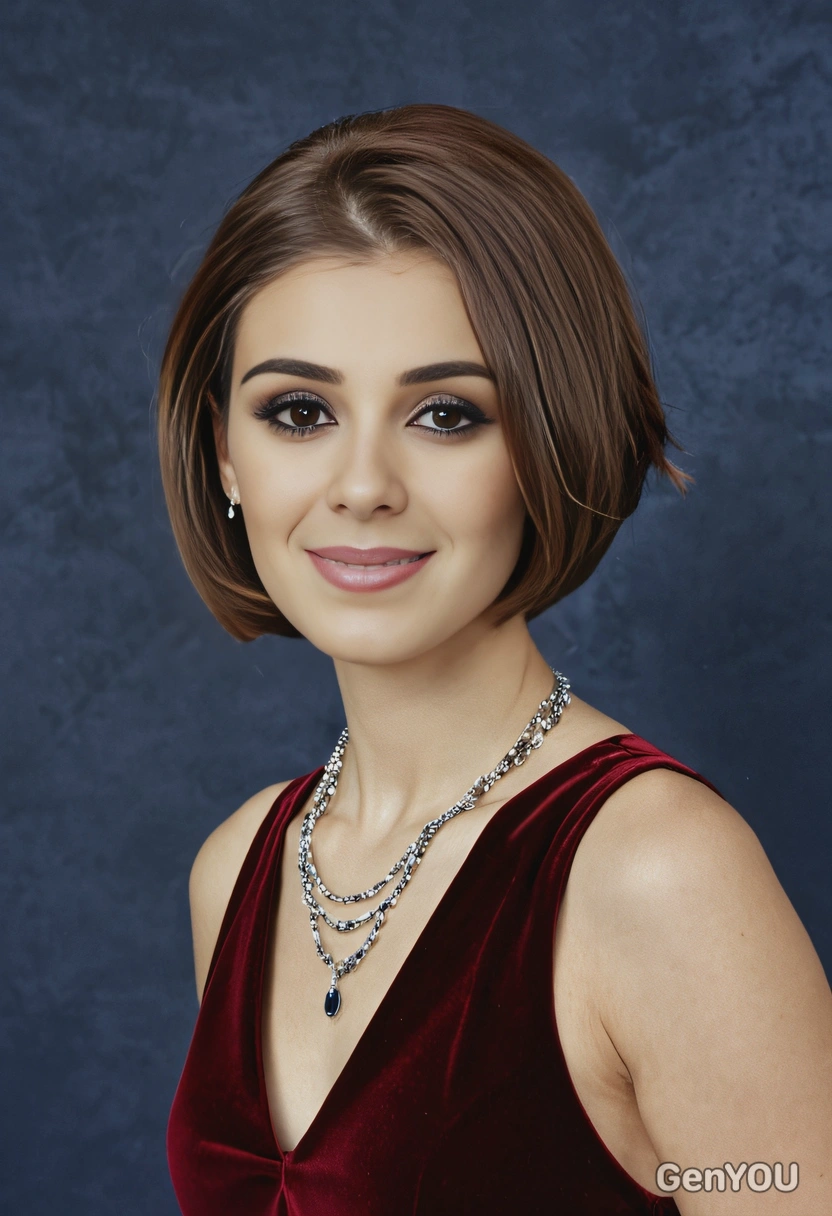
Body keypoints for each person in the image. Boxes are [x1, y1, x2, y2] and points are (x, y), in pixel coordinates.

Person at [159, 104, 832, 1215]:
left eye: (442, 413)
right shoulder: (238, 867)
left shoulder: (656, 873)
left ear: (547, 440)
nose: (362, 484)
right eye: (297, 410)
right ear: (225, 454)